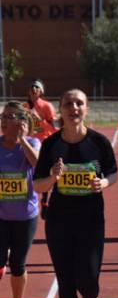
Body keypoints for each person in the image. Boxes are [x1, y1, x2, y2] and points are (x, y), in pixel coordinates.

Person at [33, 89, 118, 298]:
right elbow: (38, 185)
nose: (74, 108)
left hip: (91, 220)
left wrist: (101, 182)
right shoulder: (51, 145)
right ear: (61, 110)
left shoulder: (99, 143)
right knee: (65, 280)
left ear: (86, 108)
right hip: (59, 221)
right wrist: (53, 179)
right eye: (68, 104)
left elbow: (113, 174)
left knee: (88, 276)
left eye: (79, 103)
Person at [0, 101, 40, 298]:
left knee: (18, 264)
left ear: (23, 122)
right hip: (1, 215)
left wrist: (22, 140)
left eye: (11, 117)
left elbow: (39, 165)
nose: (6, 121)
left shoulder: (32, 143)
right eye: (4, 117)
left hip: (25, 216)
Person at [24, 79, 58, 218]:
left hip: (44, 143)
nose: (33, 90)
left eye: (36, 88)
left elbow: (54, 127)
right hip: (30, 143)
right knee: (27, 171)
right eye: (31, 87)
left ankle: (45, 201)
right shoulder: (24, 106)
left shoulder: (47, 106)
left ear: (41, 91)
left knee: (44, 171)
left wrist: (40, 120)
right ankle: (27, 197)